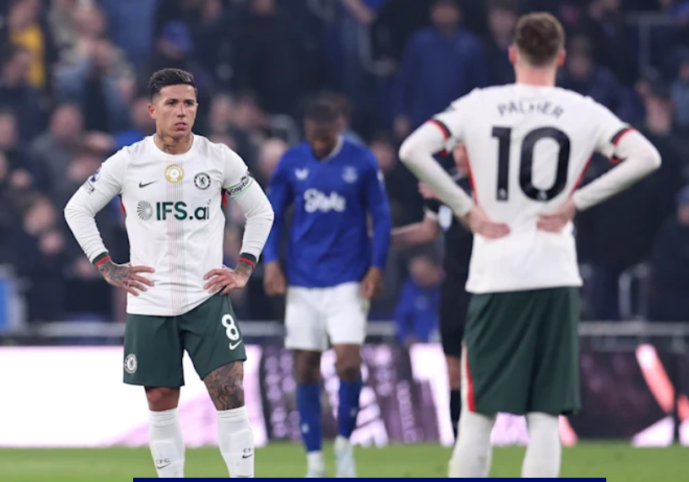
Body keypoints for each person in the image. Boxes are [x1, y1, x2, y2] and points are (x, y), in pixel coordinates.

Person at [398, 12, 662, 478]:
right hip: (554, 273)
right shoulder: (582, 109)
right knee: (544, 414)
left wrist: (467, 208)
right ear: (560, 57)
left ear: (512, 53)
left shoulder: (480, 104)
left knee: (479, 411)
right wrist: (576, 202)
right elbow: (646, 155)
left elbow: (413, 150)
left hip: (495, 272)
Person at [63, 68, 275, 478]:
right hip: (149, 301)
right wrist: (105, 264)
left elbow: (261, 210)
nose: (182, 112)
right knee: (161, 400)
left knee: (229, 393)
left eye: (189, 103)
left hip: (207, 298)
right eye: (172, 103)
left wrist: (245, 266)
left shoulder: (219, 158)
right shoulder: (128, 161)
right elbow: (77, 208)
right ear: (151, 110)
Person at [261, 99, 391, 478]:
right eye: (313, 139)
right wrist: (271, 262)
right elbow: (273, 216)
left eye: (325, 138)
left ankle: (345, 446)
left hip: (349, 279)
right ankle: (315, 461)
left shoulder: (361, 162)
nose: (318, 146)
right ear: (306, 131)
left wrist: (377, 267)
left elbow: (380, 217)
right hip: (303, 280)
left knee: (349, 361)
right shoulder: (291, 163)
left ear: (338, 128)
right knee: (305, 367)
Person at [391, 142, 475, 438]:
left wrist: (446, 195)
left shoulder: (490, 186)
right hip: (452, 287)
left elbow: (479, 225)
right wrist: (383, 239)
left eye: (466, 148)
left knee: (477, 370)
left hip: (485, 285)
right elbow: (428, 230)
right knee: (453, 370)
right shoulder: (447, 182)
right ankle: (459, 443)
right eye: (457, 148)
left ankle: (483, 440)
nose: (460, 154)